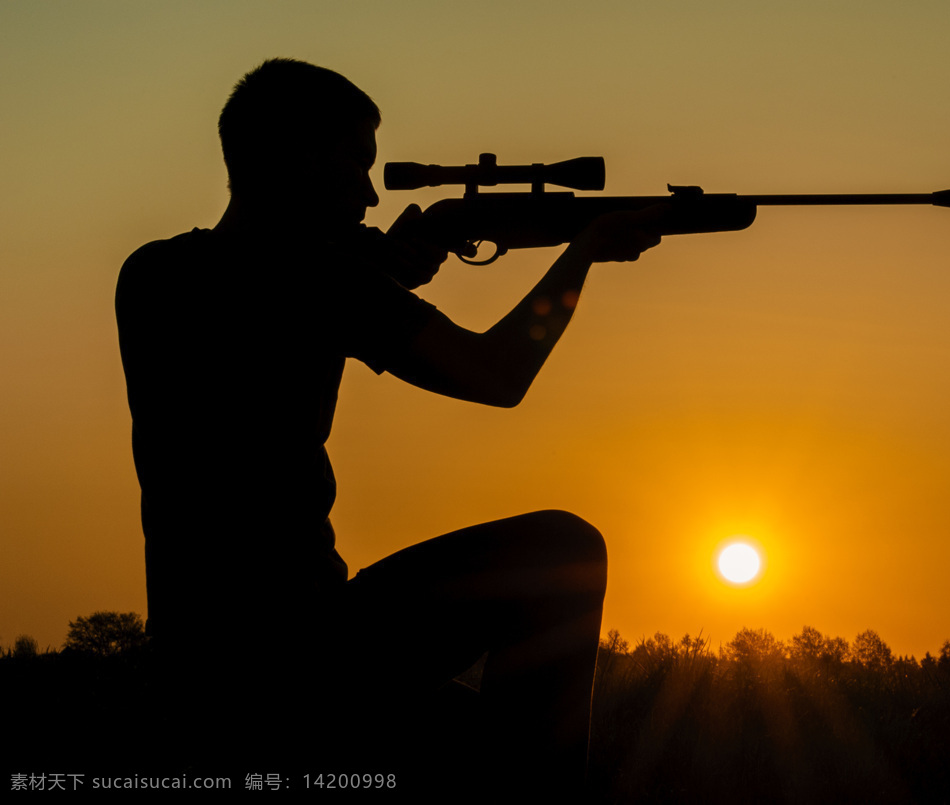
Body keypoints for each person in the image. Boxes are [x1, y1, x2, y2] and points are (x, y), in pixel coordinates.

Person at [116, 58, 662, 791]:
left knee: (472, 735)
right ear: (303, 159)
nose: (371, 192)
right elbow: (497, 376)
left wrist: (384, 273)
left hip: (193, 669)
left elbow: (267, 306)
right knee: (563, 549)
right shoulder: (322, 280)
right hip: (300, 652)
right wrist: (584, 252)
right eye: (356, 163)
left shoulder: (152, 274)